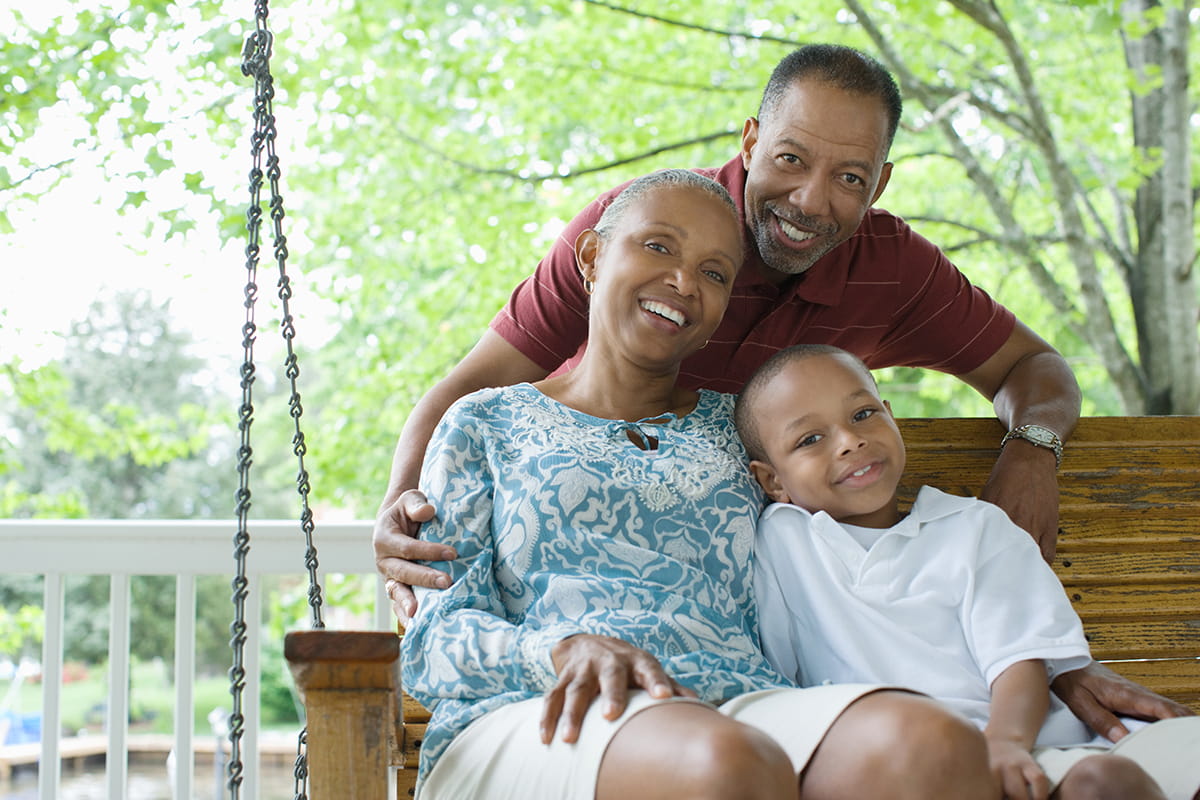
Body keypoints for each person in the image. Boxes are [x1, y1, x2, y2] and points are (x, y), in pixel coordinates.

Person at [378, 43, 1191, 739]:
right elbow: (467, 399)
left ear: (878, 185)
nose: (810, 201)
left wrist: (1032, 452)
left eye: (849, 177)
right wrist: (402, 524)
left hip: (794, 628)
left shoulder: (892, 266)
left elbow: (1036, 370)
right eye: (791, 159)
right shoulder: (641, 233)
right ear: (751, 138)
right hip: (647, 647)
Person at [401, 170, 1003, 800]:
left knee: (931, 748)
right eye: (658, 246)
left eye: (715, 273)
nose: (684, 282)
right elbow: (433, 640)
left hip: (741, 698)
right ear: (592, 256)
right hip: (543, 706)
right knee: (722, 764)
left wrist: (1040, 661)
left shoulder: (742, 430)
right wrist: (560, 650)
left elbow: (859, 558)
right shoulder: (485, 421)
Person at [734, 343, 1200, 800]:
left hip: (1032, 742)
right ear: (773, 481)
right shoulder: (782, 542)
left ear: (891, 415)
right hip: (898, 764)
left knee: (1109, 781)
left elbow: (1020, 661)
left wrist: (1004, 744)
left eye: (863, 415)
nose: (850, 441)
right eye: (809, 439)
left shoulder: (972, 527)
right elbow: (772, 675)